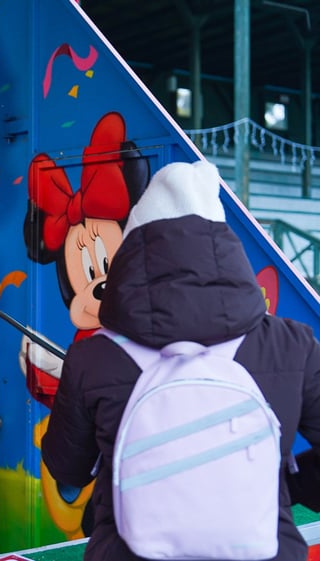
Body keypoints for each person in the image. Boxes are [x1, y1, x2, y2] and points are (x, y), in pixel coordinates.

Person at [40, 159, 320, 560]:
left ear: (131, 256)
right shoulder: (292, 344)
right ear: (225, 250)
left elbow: (68, 468)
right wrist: (282, 485)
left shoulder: (92, 356)